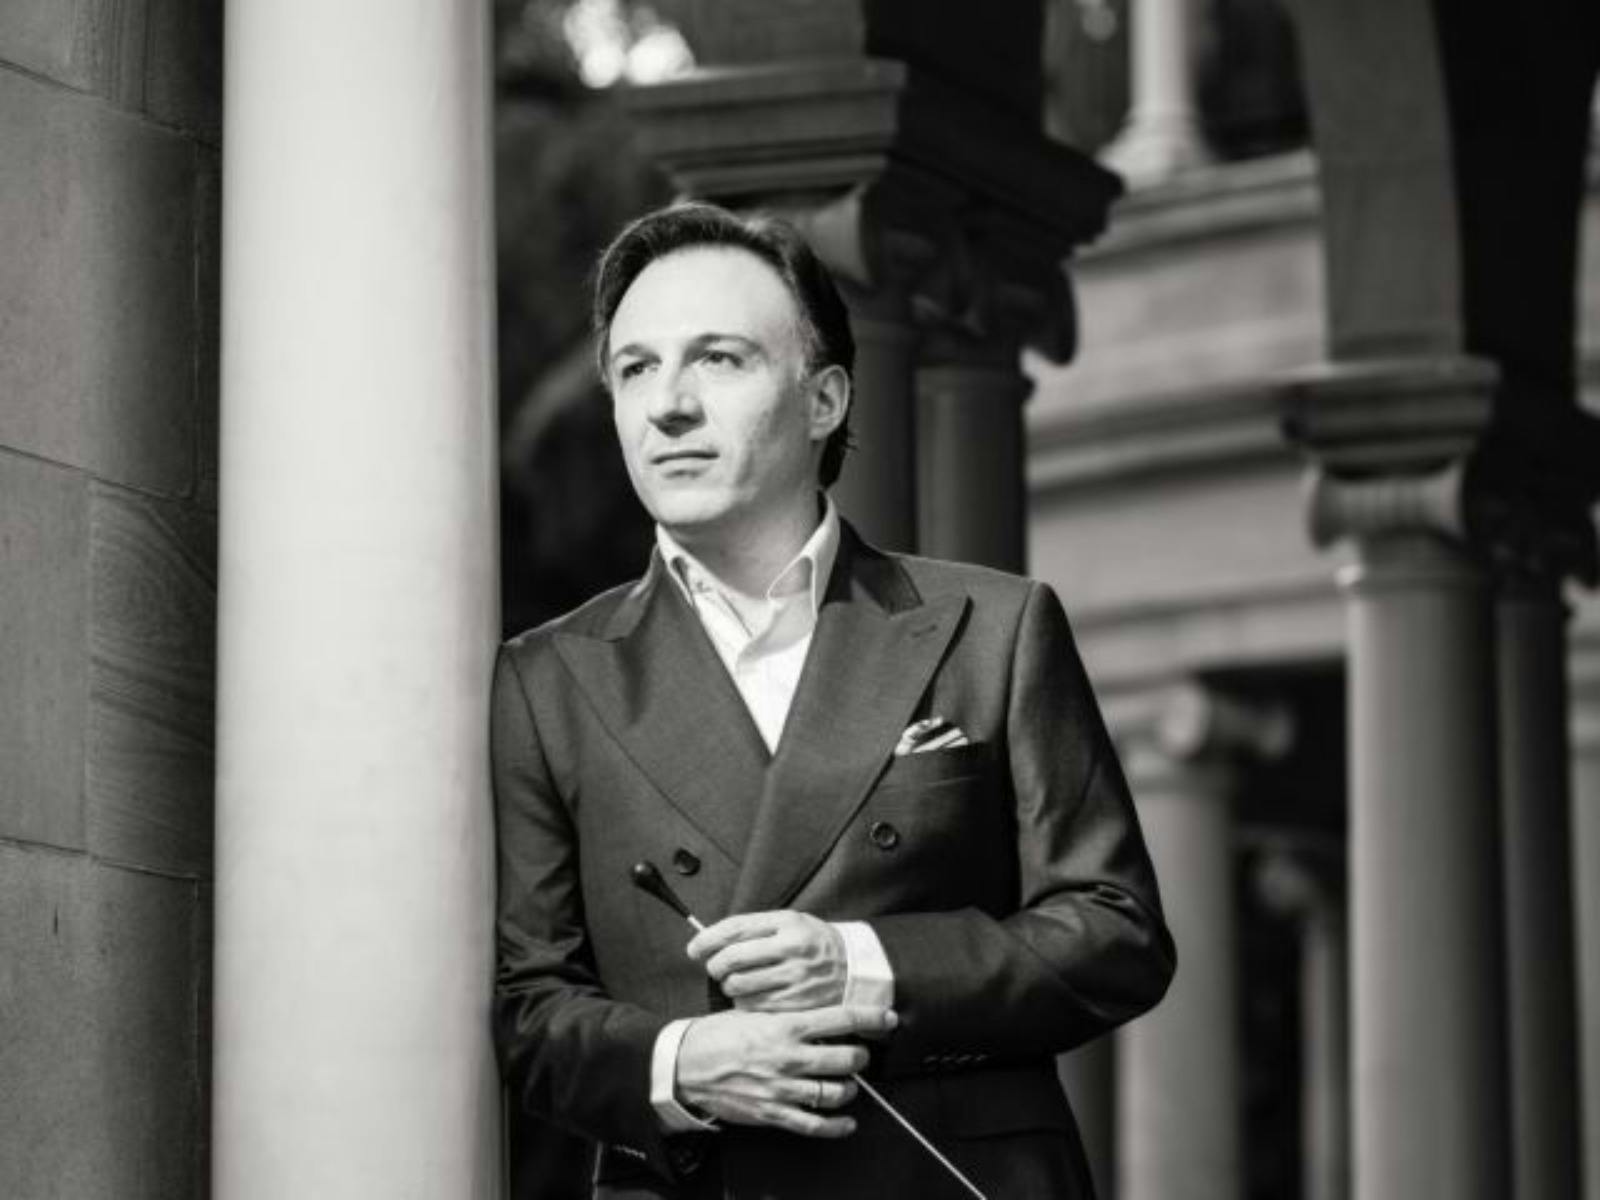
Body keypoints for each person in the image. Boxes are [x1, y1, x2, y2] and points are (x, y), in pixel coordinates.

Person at [491, 201, 1175, 1200]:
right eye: (636, 369)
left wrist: (863, 965)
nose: (667, 405)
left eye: (718, 359)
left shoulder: (994, 626)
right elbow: (526, 1006)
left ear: (823, 399)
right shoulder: (545, 678)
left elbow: (1118, 934)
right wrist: (679, 1063)